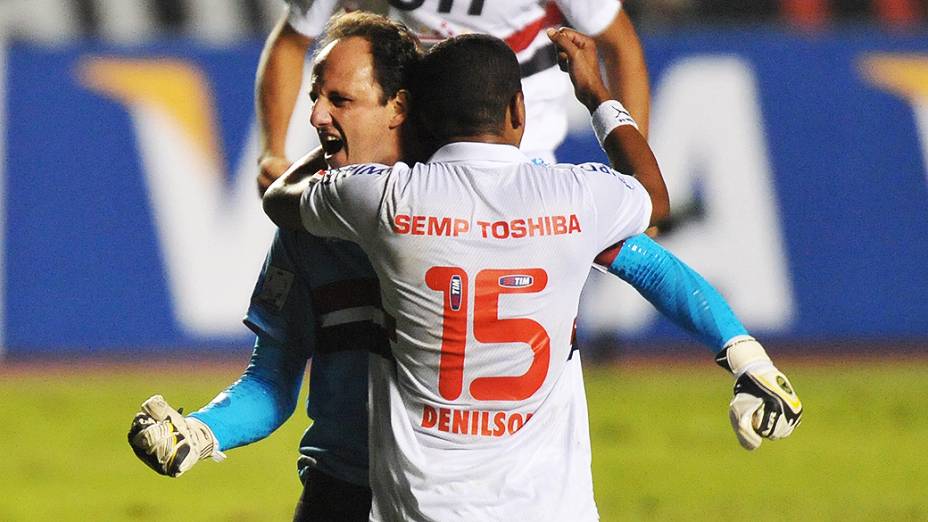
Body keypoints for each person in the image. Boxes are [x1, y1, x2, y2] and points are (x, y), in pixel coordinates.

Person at [128, 12, 802, 522]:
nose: (315, 114)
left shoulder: (334, 211)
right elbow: (273, 379)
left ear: (400, 107)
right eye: (315, 95)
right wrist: (204, 430)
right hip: (340, 491)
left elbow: (652, 268)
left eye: (339, 99)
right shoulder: (325, 225)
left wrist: (738, 351)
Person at [256, 0, 650, 194]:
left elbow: (621, 46)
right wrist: (273, 150)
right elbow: (292, 40)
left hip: (516, 130)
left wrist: (636, 184)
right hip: (420, 121)